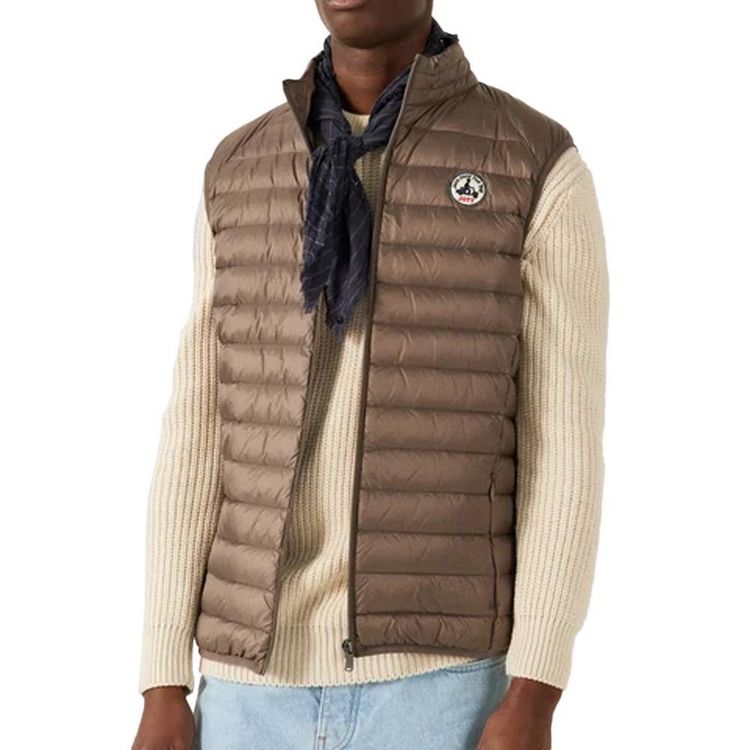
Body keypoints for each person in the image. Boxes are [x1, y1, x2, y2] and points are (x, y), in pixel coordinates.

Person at [132, 2, 609, 748]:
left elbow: (563, 447)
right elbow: (197, 432)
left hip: (442, 689)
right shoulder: (241, 167)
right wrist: (162, 678)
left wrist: (535, 691)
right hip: (246, 691)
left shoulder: (532, 162)